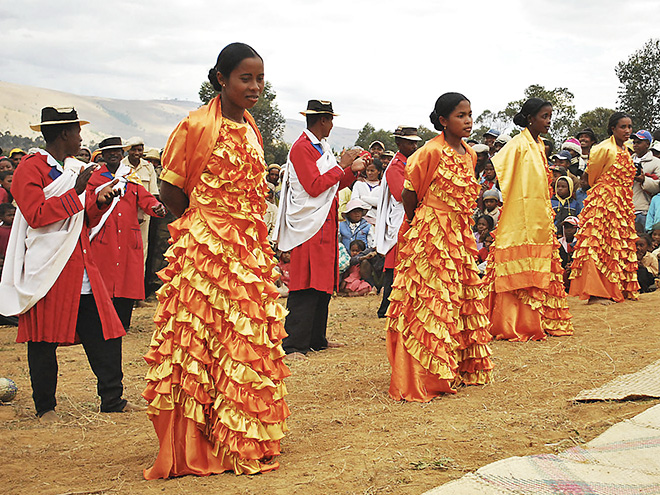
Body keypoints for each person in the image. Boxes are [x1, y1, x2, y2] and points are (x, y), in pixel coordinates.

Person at [142, 43, 290, 479]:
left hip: (247, 249)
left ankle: (238, 435)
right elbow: (170, 192)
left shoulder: (251, 129)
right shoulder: (194, 126)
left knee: (241, 342)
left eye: (260, 79)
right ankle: (196, 444)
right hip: (206, 251)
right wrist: (208, 225)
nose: (256, 87)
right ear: (221, 79)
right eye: (246, 78)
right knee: (201, 343)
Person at [0, 106, 139, 422]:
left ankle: (113, 399)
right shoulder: (30, 169)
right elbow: (36, 216)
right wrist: (77, 191)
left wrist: (100, 202)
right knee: (43, 338)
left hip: (81, 262)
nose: (80, 137)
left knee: (104, 332)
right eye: (78, 131)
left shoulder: (76, 168)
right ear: (64, 133)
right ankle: (45, 407)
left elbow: (82, 220)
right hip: (47, 267)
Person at [386, 92, 493, 402]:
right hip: (431, 235)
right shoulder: (428, 152)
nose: (469, 120)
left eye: (470, 114)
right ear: (443, 120)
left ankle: (453, 367)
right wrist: (420, 221)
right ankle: (422, 376)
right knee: (430, 301)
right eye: (461, 115)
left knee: (456, 298)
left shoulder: (471, 155)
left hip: (459, 236)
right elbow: (410, 194)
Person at [273, 99, 365, 361]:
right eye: (331, 119)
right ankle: (292, 344)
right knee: (304, 284)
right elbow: (314, 186)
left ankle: (316, 338)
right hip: (308, 224)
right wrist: (341, 165)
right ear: (322, 120)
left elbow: (333, 185)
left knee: (322, 284)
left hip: (324, 222)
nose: (333, 125)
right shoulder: (302, 148)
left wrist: (350, 170)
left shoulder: (320, 147)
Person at [484, 98, 574, 341]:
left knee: (541, 265)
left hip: (540, 217)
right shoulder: (517, 145)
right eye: (544, 116)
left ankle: (539, 318)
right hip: (520, 217)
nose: (548, 121)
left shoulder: (540, 144)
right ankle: (514, 322)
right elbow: (499, 171)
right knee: (519, 264)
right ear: (530, 118)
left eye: (549, 116)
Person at [88, 137, 166, 330]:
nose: (114, 154)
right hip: (103, 235)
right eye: (109, 151)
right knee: (104, 280)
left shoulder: (130, 176)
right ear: (103, 155)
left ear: (122, 153)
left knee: (126, 279)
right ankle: (102, 324)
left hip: (127, 236)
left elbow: (145, 197)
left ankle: (123, 323)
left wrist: (155, 207)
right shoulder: (94, 177)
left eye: (117, 150)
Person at [569, 112, 639, 304]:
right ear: (612, 128)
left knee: (617, 244)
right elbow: (592, 177)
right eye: (623, 127)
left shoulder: (627, 148)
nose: (627, 131)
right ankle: (594, 292)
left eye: (629, 127)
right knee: (597, 244)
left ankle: (616, 287)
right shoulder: (603, 148)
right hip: (604, 201)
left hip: (622, 202)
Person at [376, 125, 420, 318]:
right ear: (399, 143)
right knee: (394, 263)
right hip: (401, 217)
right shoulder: (396, 166)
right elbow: (400, 193)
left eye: (415, 142)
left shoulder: (409, 162)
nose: (414, 145)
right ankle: (388, 305)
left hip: (408, 215)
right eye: (409, 142)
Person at [121, 136, 159, 264]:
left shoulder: (148, 168)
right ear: (128, 151)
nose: (137, 153)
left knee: (141, 249)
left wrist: (143, 212)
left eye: (140, 150)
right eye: (133, 150)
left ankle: (138, 282)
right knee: (123, 247)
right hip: (124, 214)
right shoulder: (121, 166)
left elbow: (153, 193)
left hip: (144, 216)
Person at [631, 130, 660, 232]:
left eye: (639, 142)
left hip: (643, 210)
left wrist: (644, 180)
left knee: (642, 242)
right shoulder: (627, 160)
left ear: (647, 144)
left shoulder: (656, 163)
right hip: (626, 210)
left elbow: (658, 187)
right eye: (634, 142)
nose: (635, 145)